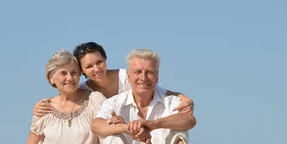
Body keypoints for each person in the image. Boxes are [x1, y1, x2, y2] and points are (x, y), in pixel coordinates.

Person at [90, 49, 197, 144]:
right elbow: (96, 125)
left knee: (179, 130)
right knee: (111, 132)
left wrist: (152, 124)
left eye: (149, 72)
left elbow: (189, 120)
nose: (143, 77)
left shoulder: (170, 101)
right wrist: (126, 128)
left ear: (157, 78)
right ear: (128, 77)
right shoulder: (114, 103)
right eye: (137, 72)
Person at [33, 42, 194, 116]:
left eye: (99, 62)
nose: (96, 69)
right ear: (82, 71)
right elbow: (65, 97)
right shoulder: (85, 90)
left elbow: (162, 91)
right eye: (89, 67)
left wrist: (186, 99)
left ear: (105, 59)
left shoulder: (127, 77)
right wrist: (42, 105)